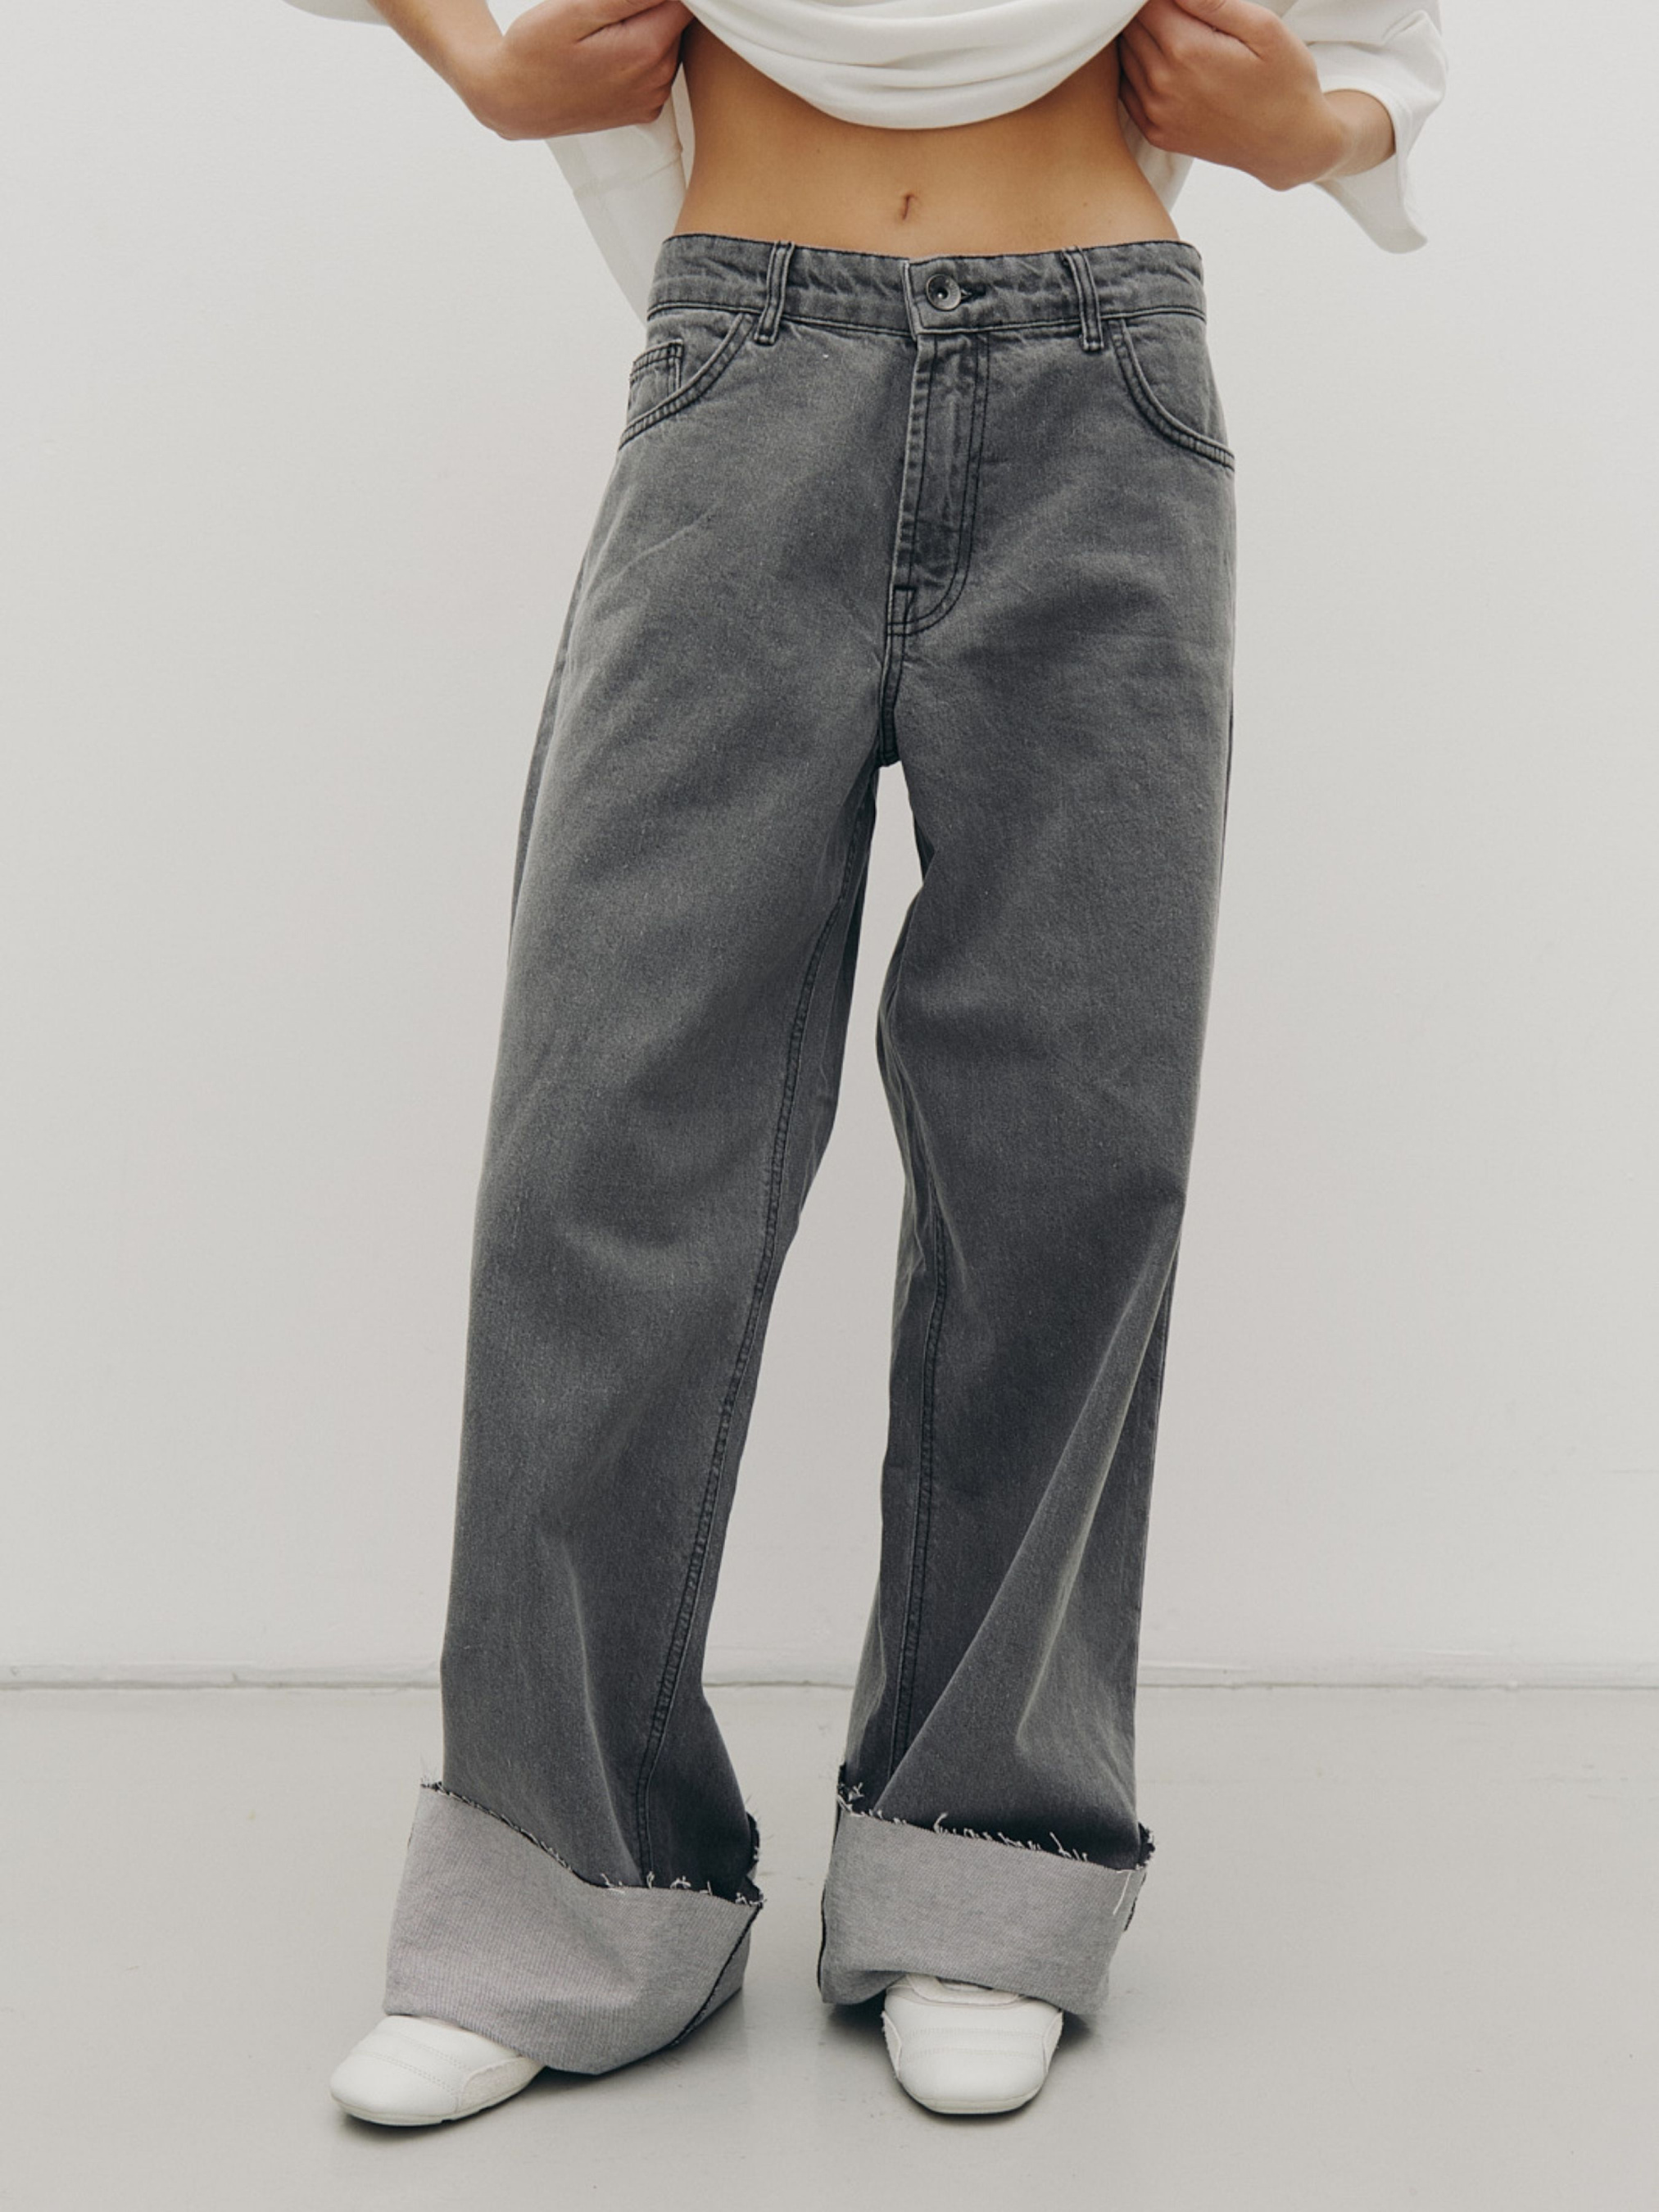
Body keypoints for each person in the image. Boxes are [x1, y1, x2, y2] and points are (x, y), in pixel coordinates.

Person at [290, 0, 1447, 2125]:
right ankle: (562, 1890)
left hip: (1104, 376)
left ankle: (983, 1869)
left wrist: (1317, 122)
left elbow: (1388, 47)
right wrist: (473, 55)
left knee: (1065, 1145)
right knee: (605, 1140)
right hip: (745, 360)